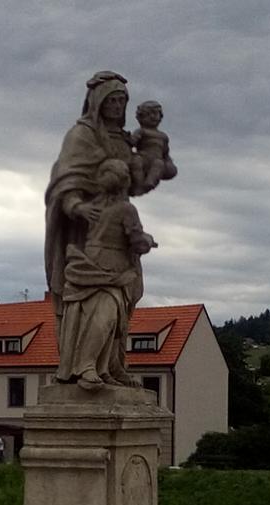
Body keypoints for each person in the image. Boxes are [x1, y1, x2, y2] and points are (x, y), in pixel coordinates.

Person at [45, 71, 135, 331]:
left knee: (121, 296)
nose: (117, 107)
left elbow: (134, 179)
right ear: (98, 103)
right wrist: (76, 205)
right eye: (112, 101)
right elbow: (65, 177)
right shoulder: (80, 135)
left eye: (121, 101)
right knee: (90, 296)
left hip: (117, 225)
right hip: (83, 228)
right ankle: (81, 363)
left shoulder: (123, 139)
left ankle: (110, 365)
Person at [56, 159, 157, 389]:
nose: (101, 178)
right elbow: (63, 197)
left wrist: (145, 241)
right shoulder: (92, 206)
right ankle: (86, 367)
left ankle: (101, 367)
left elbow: (135, 240)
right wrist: (76, 207)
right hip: (87, 266)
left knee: (110, 320)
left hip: (113, 270)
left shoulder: (126, 209)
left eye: (106, 174)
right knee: (94, 319)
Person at [130, 101, 177, 193]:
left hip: (156, 160)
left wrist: (170, 163)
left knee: (159, 163)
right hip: (143, 157)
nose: (153, 117)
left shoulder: (163, 136)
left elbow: (165, 153)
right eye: (148, 114)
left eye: (155, 113)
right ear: (141, 117)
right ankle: (138, 183)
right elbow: (132, 142)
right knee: (136, 161)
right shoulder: (141, 131)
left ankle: (150, 182)